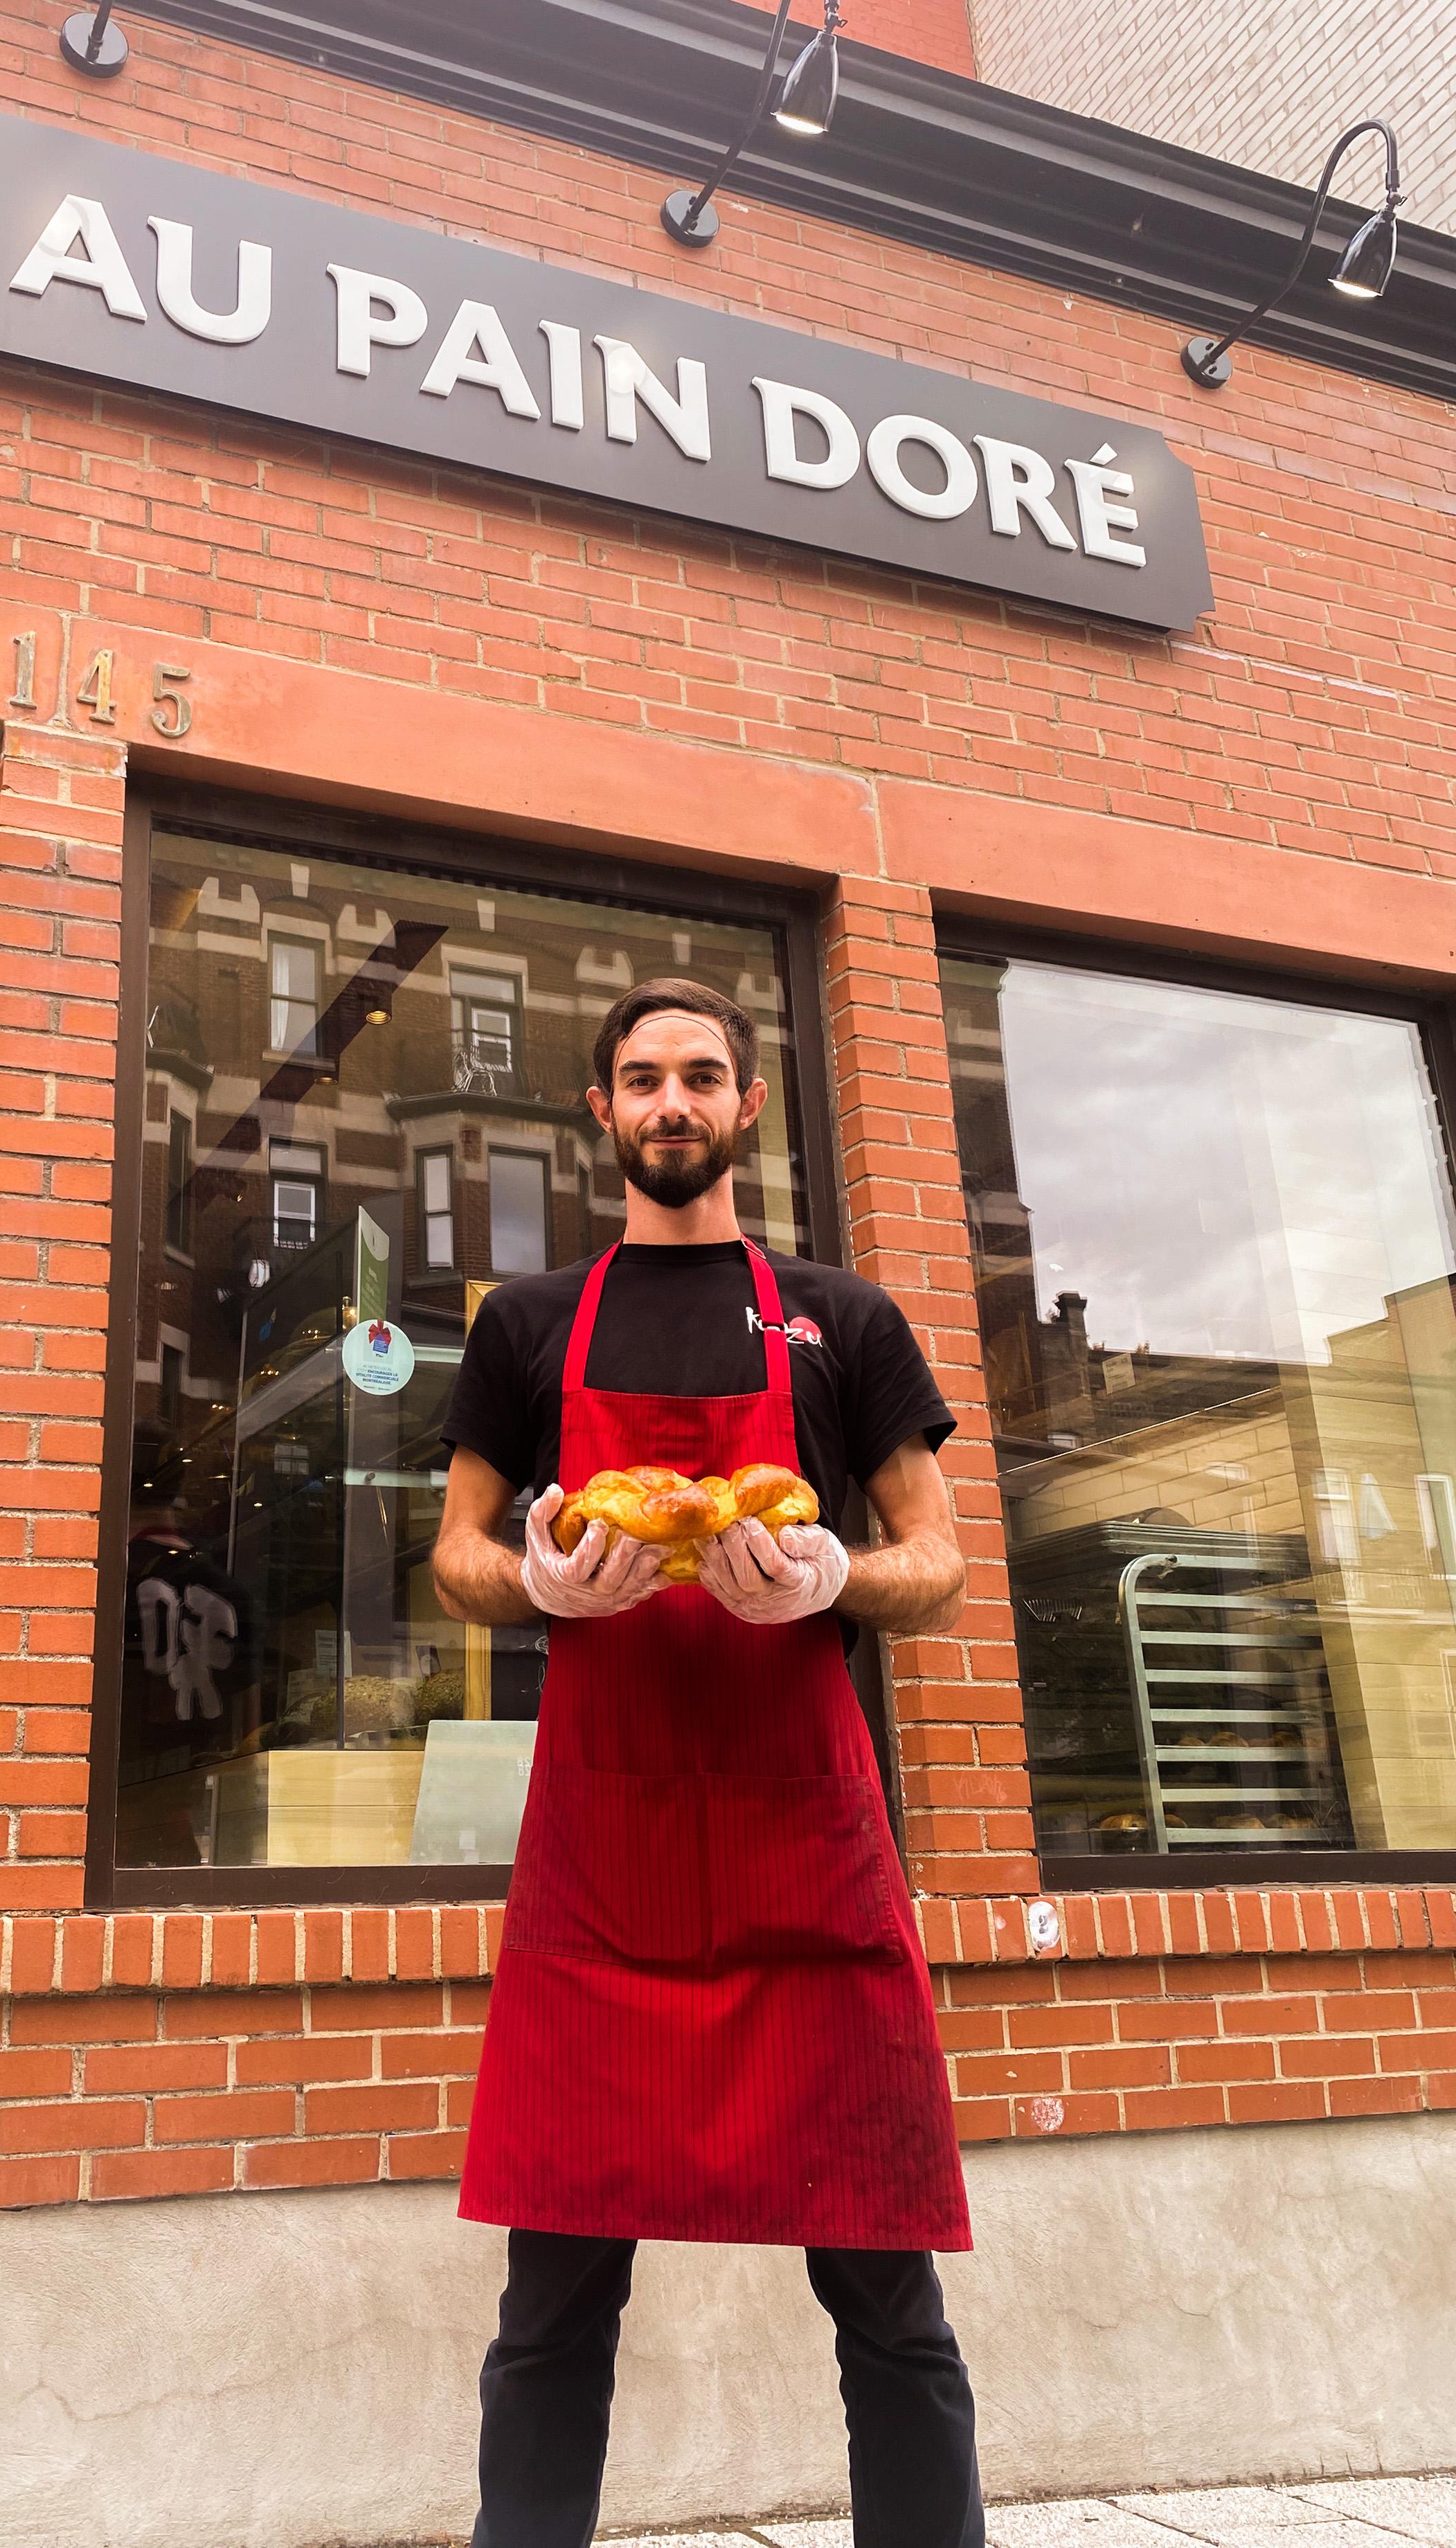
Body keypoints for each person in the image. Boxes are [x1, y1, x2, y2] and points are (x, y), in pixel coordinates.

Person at [433, 978, 981, 2548]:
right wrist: (533, 1581)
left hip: (803, 1856)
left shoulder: (846, 1317)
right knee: (548, 2309)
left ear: (748, 1109)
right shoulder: (527, 1325)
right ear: (599, 1113)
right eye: (642, 1080)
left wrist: (836, 1582)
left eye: (703, 1077)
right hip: (602, 1877)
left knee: (890, 2298)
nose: (673, 1103)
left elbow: (936, 1563)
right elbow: (460, 1552)